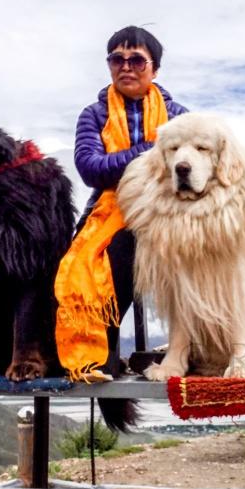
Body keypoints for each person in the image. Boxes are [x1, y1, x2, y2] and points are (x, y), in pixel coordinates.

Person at [59, 25, 188, 381]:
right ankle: (102, 356)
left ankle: (191, 350)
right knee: (100, 264)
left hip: (170, 211)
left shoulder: (180, 116)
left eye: (136, 60)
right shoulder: (94, 115)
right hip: (110, 213)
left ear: (155, 69)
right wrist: (152, 151)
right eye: (117, 59)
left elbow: (204, 163)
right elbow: (90, 169)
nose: (126, 67)